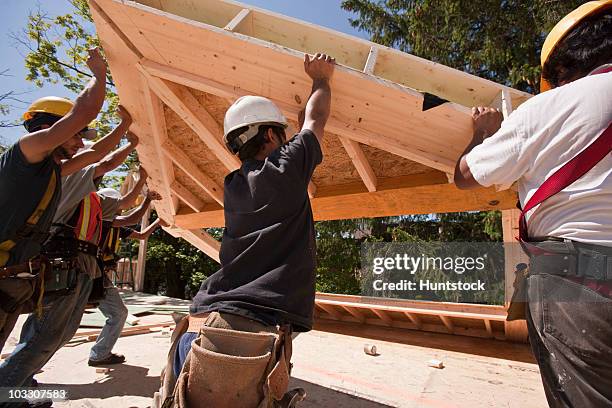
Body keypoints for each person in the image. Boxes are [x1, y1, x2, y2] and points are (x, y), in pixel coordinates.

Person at [155, 53, 335, 408]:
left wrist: (298, 131)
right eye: (282, 136)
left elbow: (303, 133)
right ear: (271, 134)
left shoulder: (233, 184)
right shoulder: (285, 168)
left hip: (202, 324)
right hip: (252, 331)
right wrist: (321, 78)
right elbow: (315, 120)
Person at [454, 2, 611, 407]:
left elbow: (465, 176)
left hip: (580, 285)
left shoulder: (551, 107)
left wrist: (485, 134)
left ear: (562, 66)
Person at [0, 121, 139, 392]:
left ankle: (18, 382)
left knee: (55, 334)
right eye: (75, 139)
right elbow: (104, 160)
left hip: (73, 265)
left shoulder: (85, 194)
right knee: (43, 336)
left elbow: (115, 188)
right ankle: (8, 389)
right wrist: (128, 135)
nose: (77, 146)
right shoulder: (65, 176)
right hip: (60, 263)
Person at [0, 48, 107, 355]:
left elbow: (95, 154)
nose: (80, 142)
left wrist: (126, 129)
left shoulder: (51, 170)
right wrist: (98, 74)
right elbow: (83, 113)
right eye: (75, 135)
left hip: (15, 277)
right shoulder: (27, 150)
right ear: (49, 128)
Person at [88, 184, 165, 367]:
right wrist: (148, 199)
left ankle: (99, 354)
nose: (120, 209)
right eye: (117, 206)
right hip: (92, 273)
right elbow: (133, 218)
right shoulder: (103, 220)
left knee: (116, 313)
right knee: (117, 313)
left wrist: (158, 222)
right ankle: (99, 354)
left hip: (97, 274)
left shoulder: (115, 224)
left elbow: (141, 235)